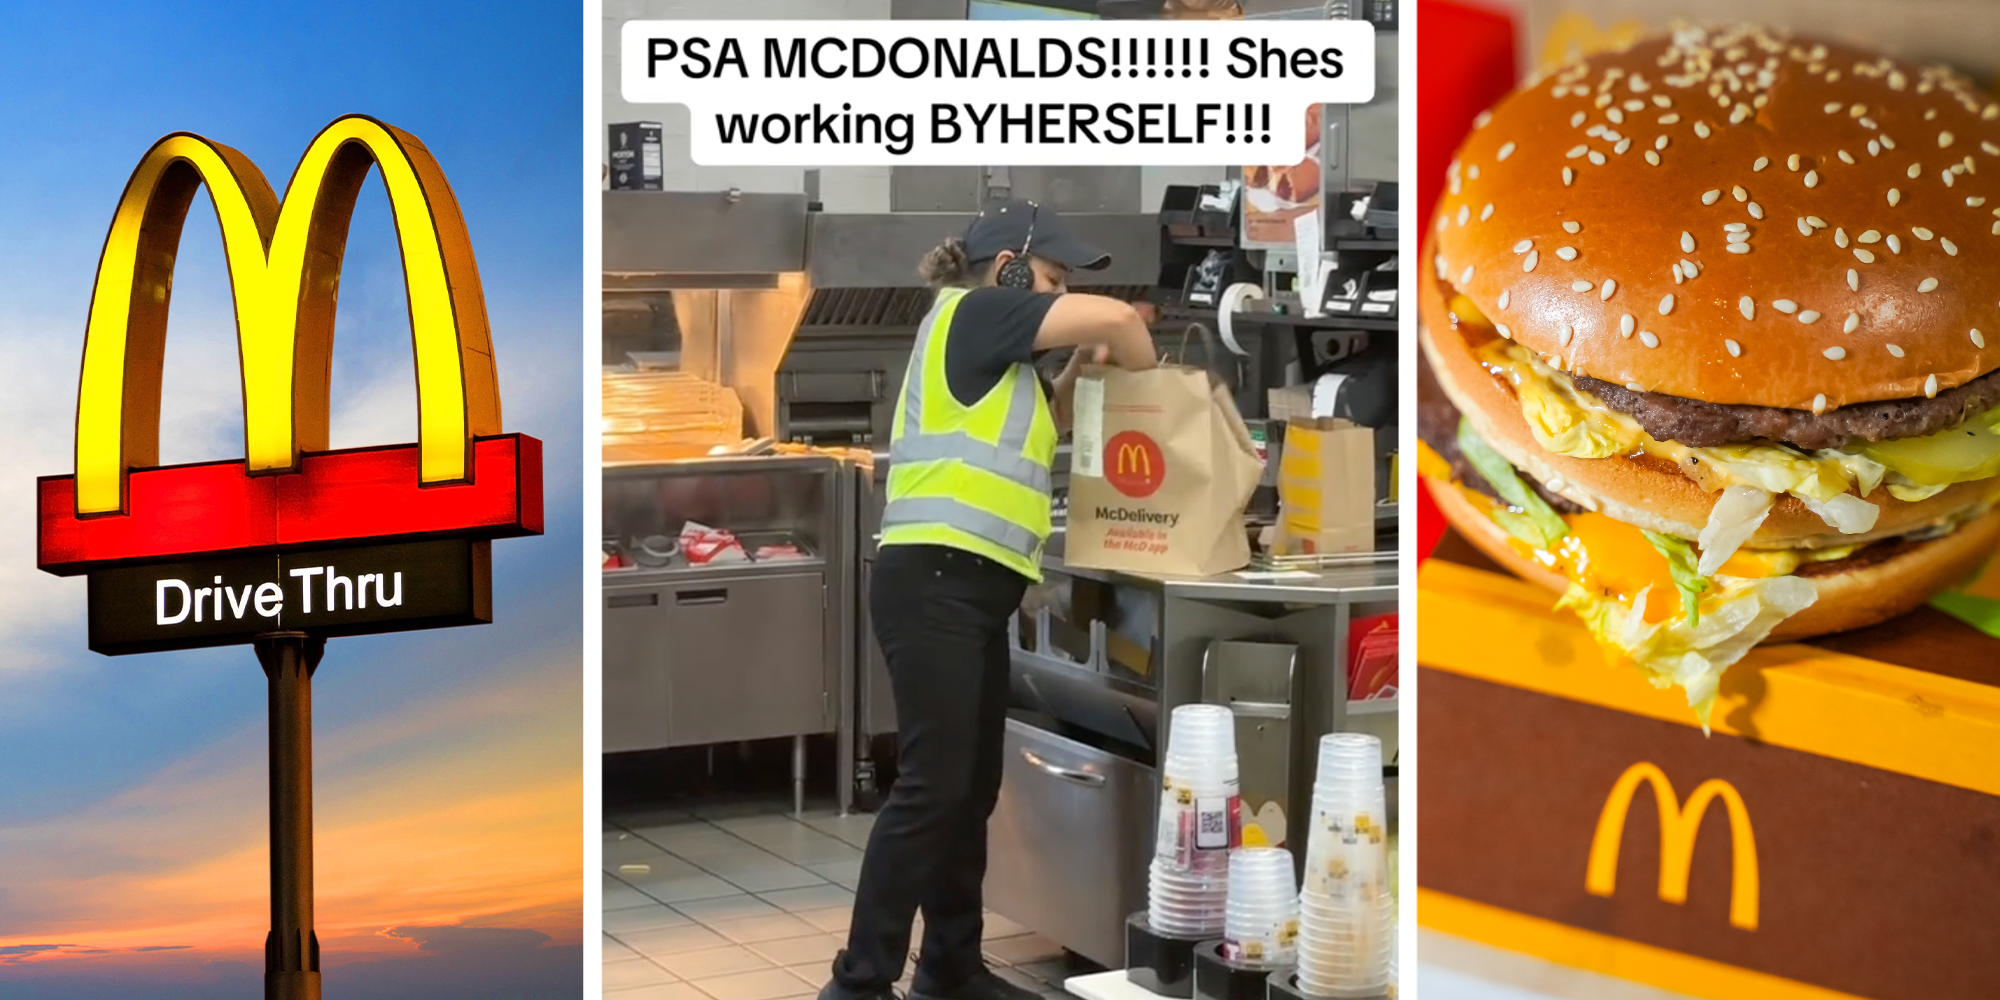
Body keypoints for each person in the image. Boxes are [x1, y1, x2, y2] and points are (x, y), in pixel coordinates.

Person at [822, 199, 1158, 1000]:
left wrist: (1083, 365)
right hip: (934, 581)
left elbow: (1047, 422)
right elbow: (1113, 315)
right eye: (1051, 276)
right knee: (934, 786)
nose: (1057, 291)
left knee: (968, 787)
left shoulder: (1001, 364)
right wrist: (1149, 373)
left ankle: (949, 968)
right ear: (1008, 266)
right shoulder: (973, 313)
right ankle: (857, 984)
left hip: (967, 591)